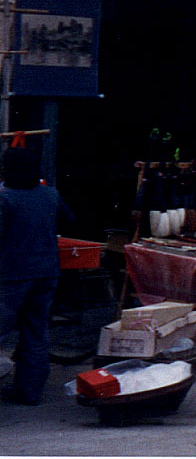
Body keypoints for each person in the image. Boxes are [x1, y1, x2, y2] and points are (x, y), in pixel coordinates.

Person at [0, 146, 75, 405]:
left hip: (10, 276)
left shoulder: (4, 197)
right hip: (46, 273)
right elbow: (69, 221)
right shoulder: (50, 194)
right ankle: (29, 393)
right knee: (36, 333)